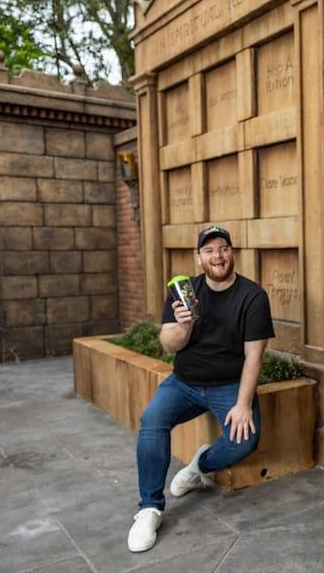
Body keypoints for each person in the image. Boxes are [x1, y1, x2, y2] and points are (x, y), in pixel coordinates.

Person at [127, 225, 275, 553]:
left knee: (244, 440)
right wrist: (184, 326)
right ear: (199, 257)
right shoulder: (185, 291)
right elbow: (168, 344)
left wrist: (241, 403)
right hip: (184, 383)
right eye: (209, 250)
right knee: (152, 420)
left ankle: (200, 466)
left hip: (229, 384)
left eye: (223, 248)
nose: (217, 255)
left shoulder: (252, 297)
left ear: (232, 253)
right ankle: (149, 508)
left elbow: (254, 356)